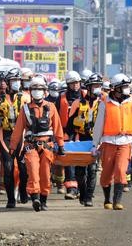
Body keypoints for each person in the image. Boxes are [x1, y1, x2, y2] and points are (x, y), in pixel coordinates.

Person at [92, 73, 132, 210]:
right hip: (108, 142)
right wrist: (94, 145)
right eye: (124, 86)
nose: (127, 88)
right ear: (115, 88)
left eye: (127, 86)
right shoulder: (105, 104)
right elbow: (98, 126)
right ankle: (107, 199)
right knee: (106, 174)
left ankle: (117, 201)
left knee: (121, 170)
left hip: (125, 142)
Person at [9, 77, 65, 212]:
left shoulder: (51, 107)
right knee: (33, 172)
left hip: (47, 146)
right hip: (31, 145)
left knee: (45, 174)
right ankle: (35, 198)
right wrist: (12, 147)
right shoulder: (25, 109)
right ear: (31, 91)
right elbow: (18, 129)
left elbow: (57, 127)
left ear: (44, 91)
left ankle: (44, 199)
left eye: (39, 89)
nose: (37, 92)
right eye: (34, 89)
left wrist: (61, 145)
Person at [0, 67, 29, 208]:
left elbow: (32, 119)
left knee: (23, 168)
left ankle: (22, 191)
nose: (17, 83)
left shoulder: (26, 98)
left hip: (21, 136)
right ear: (7, 83)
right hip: (6, 137)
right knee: (8, 168)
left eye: (18, 80)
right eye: (14, 80)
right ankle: (10, 199)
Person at [66, 73, 103, 207]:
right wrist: (67, 141)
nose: (97, 88)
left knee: (92, 169)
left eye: (99, 86)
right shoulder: (78, 103)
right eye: (94, 86)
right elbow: (70, 125)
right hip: (80, 140)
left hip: (96, 140)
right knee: (80, 172)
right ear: (88, 87)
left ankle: (88, 197)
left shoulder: (103, 104)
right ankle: (82, 192)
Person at [56, 70, 86, 199]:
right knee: (69, 161)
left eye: (77, 83)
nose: (75, 85)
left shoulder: (86, 95)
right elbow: (55, 116)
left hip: (84, 133)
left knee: (83, 161)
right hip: (66, 133)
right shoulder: (61, 98)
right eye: (72, 83)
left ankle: (83, 188)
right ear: (68, 84)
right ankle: (71, 188)